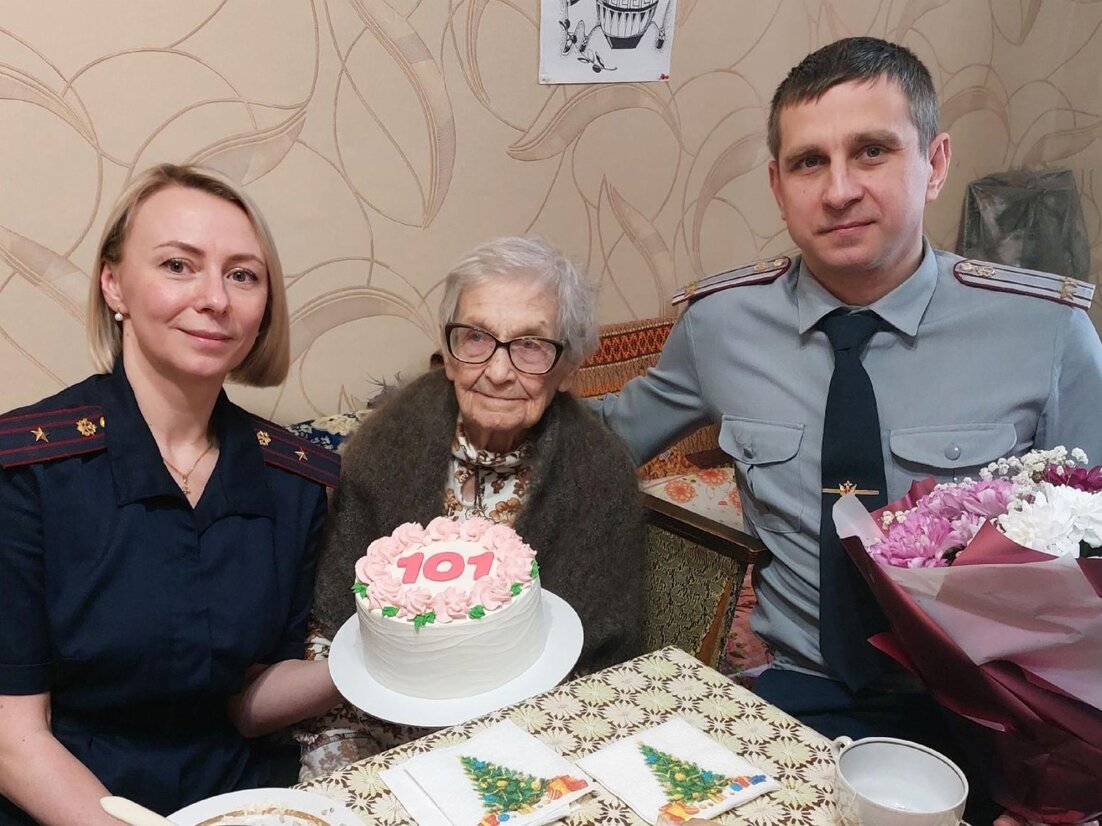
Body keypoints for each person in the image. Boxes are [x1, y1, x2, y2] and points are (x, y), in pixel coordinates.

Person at [591, 37, 1102, 825]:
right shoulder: (722, 324)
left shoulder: (1045, 332)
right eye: (808, 162)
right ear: (777, 184)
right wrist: (496, 374)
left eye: (871, 151)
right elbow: (600, 444)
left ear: (934, 162)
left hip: (994, 713)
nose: (838, 191)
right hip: (798, 694)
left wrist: (1064, 783)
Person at [0, 164, 344, 824]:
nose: (215, 298)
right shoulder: (25, 472)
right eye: (178, 265)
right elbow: (14, 737)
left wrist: (380, 661)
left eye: (242, 275)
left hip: (242, 801)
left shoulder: (300, 480)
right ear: (114, 284)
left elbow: (250, 701)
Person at [303, 236, 644, 770]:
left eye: (531, 345)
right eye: (477, 337)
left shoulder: (600, 474)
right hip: (369, 719)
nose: (499, 371)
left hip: (531, 731)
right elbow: (332, 624)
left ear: (569, 367)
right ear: (448, 352)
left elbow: (602, 661)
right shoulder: (385, 443)